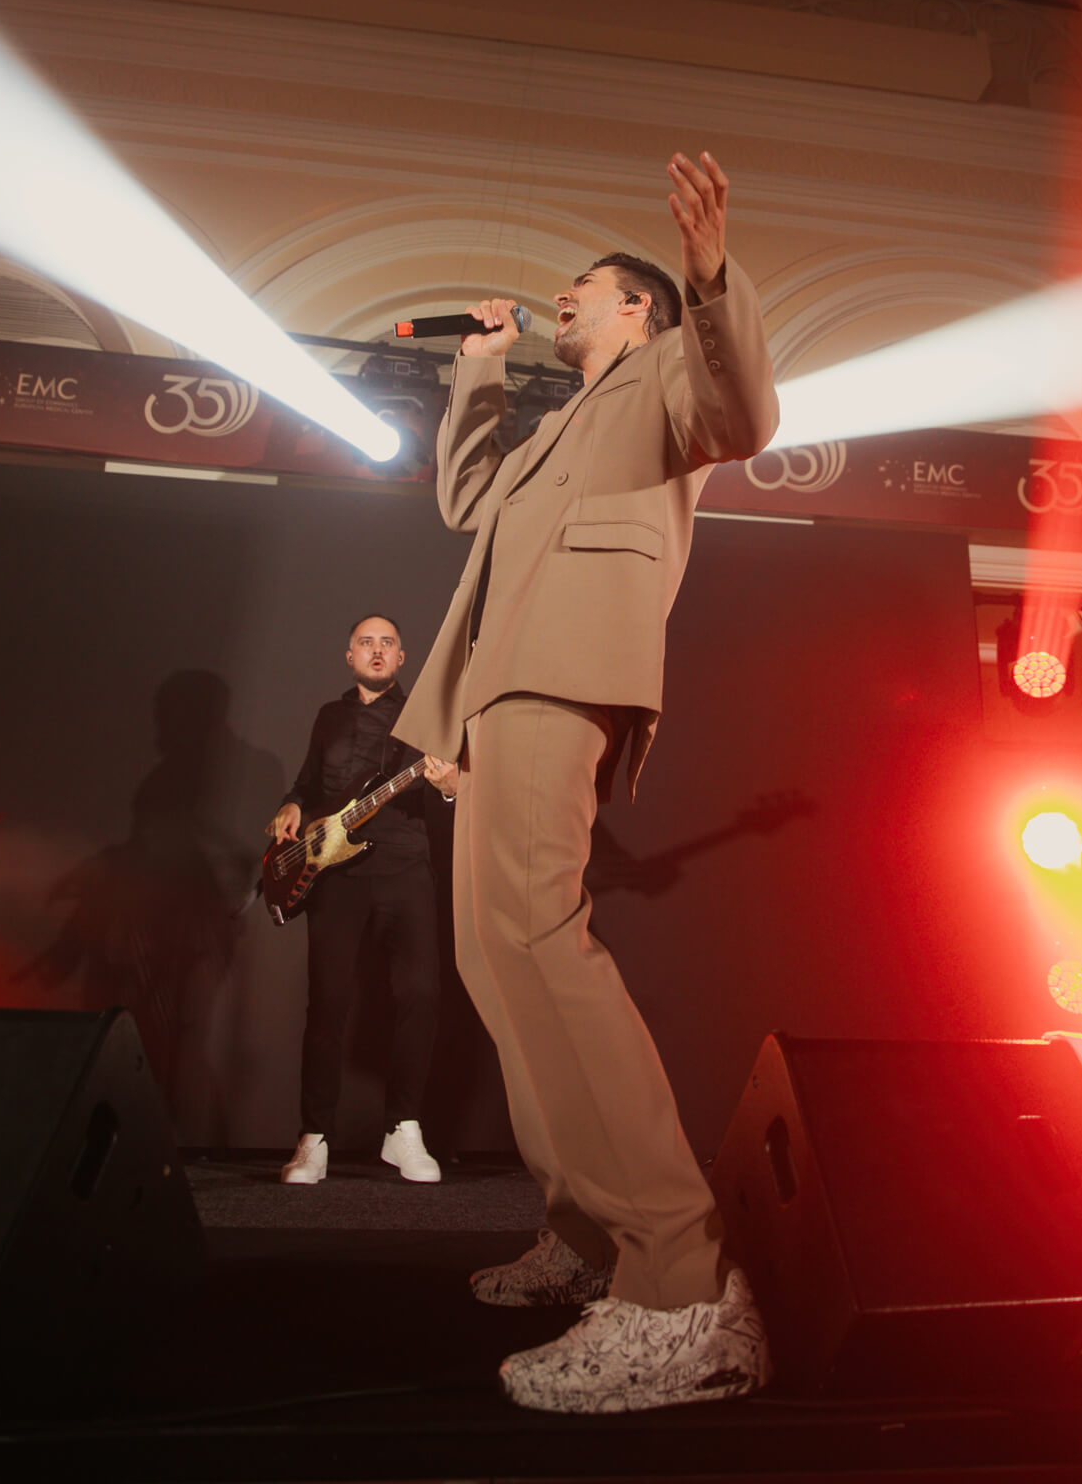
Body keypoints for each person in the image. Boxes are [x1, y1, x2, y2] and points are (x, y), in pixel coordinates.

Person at [392, 150, 778, 1413]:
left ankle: (678, 1278)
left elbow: (744, 409)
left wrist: (710, 271)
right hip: (493, 686)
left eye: (584, 286)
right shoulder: (557, 418)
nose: (561, 296)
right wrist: (481, 366)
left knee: (540, 940)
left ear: (638, 308)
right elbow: (464, 498)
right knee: (494, 952)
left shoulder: (669, 375)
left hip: (566, 671)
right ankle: (587, 1231)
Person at [269, 614, 457, 1185]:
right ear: (350, 656)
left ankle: (403, 1129)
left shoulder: (426, 713)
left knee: (421, 994)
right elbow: (308, 783)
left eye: (388, 643)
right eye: (366, 643)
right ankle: (314, 1138)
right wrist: (292, 805)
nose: (377, 651)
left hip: (404, 866)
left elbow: (453, 783)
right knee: (327, 1003)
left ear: (401, 657)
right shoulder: (330, 716)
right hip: (335, 874)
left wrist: (448, 785)